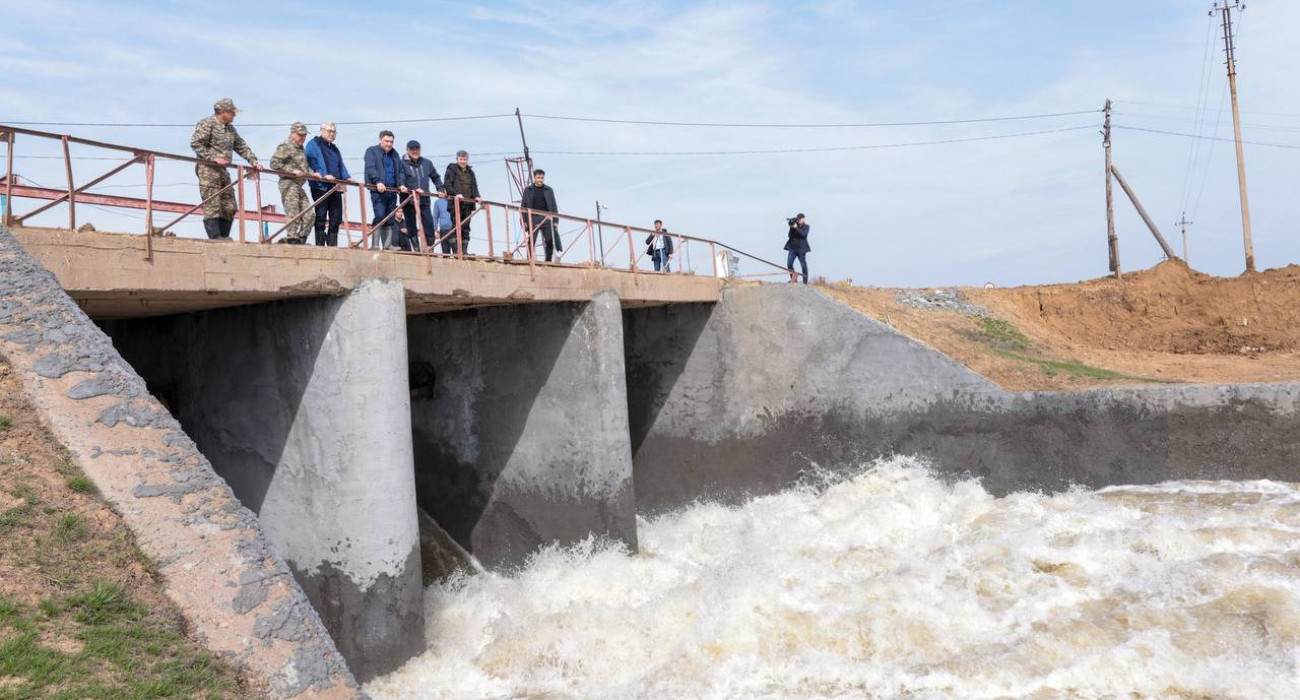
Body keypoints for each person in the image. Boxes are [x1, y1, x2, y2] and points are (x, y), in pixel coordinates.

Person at [190, 98, 259, 240]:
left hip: (223, 171)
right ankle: (215, 237)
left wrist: (254, 161)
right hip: (208, 170)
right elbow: (196, 143)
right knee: (212, 203)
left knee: (230, 205)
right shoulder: (207, 124)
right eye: (232, 112)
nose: (234, 115)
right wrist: (213, 158)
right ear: (222, 112)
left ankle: (224, 237)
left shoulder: (230, 129)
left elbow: (241, 146)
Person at [304, 122, 351, 247]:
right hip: (320, 186)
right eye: (329, 131)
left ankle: (332, 245)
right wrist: (323, 174)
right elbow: (311, 162)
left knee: (336, 217)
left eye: (334, 131)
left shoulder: (334, 148)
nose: (331, 134)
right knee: (321, 216)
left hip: (335, 187)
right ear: (321, 131)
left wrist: (347, 177)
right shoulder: (313, 144)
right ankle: (320, 244)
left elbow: (340, 165)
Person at [269, 122, 316, 245]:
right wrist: (292, 171)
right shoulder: (285, 146)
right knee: (293, 212)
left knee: (310, 214)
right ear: (293, 133)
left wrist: (313, 173)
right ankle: (292, 238)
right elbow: (274, 163)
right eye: (300, 135)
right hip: (288, 183)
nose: (303, 138)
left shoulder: (301, 149)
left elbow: (304, 167)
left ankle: (300, 239)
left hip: (299, 186)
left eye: (304, 135)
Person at [363, 130, 407, 249]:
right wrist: (377, 181)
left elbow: (400, 171)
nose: (389, 144)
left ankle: (388, 246)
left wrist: (401, 184)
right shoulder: (372, 151)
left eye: (391, 142)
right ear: (380, 140)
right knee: (380, 215)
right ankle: (375, 245)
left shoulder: (395, 154)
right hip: (378, 190)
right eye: (386, 141)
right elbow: (370, 168)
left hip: (392, 191)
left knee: (390, 218)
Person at [398, 140, 444, 252]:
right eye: (412, 149)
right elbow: (400, 177)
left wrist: (440, 188)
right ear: (407, 150)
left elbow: (435, 177)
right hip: (408, 199)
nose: (415, 151)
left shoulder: (427, 163)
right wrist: (408, 188)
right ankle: (417, 248)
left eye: (417, 149)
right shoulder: (401, 163)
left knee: (428, 223)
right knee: (411, 224)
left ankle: (430, 248)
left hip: (424, 199)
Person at [443, 150, 480, 254]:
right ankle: (456, 252)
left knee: (466, 227)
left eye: (465, 159)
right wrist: (456, 194)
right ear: (457, 159)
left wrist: (477, 196)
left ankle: (464, 252)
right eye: (461, 159)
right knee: (456, 226)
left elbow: (474, 187)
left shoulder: (470, 172)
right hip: (456, 203)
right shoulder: (451, 169)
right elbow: (447, 184)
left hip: (468, 204)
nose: (463, 161)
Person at [521, 169, 561, 262]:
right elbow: (523, 206)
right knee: (532, 240)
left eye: (542, 178)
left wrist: (555, 221)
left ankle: (548, 261)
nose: (540, 180)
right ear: (534, 178)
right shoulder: (528, 190)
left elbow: (554, 205)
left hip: (547, 218)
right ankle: (529, 260)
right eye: (538, 178)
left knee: (550, 241)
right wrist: (524, 221)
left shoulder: (549, 190)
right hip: (533, 218)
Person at [784, 213, 810, 284]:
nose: (798, 221)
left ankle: (805, 282)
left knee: (803, 265)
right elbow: (789, 236)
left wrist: (796, 228)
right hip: (792, 248)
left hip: (801, 249)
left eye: (800, 219)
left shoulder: (806, 227)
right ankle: (793, 279)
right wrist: (792, 227)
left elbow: (804, 235)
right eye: (798, 219)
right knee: (789, 264)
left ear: (803, 219)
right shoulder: (794, 226)